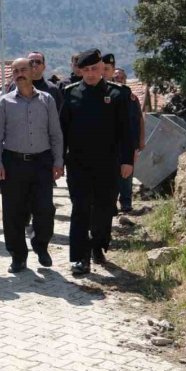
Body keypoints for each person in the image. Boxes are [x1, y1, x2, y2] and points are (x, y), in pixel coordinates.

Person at [60, 49, 134, 276]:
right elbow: (63, 130)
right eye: (86, 70)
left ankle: (98, 245)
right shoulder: (70, 93)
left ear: (102, 68)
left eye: (94, 69)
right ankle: (80, 257)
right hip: (79, 163)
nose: (91, 74)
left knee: (104, 208)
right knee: (80, 209)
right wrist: (59, 161)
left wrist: (127, 161)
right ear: (80, 71)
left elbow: (127, 131)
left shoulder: (118, 94)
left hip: (108, 163)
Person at [0, 57, 64, 273]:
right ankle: (17, 256)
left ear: (33, 71)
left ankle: (41, 246)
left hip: (42, 162)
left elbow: (55, 134)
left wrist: (58, 161)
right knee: (13, 212)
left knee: (44, 209)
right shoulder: (4, 102)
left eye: (23, 69)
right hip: (13, 163)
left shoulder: (47, 100)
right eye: (15, 70)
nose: (20, 73)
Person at [112, 66, 146, 213]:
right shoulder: (108, 96)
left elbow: (139, 120)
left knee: (127, 174)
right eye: (116, 77)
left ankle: (126, 203)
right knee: (112, 174)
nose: (118, 79)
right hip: (112, 143)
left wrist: (140, 141)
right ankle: (110, 203)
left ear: (125, 80)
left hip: (129, 143)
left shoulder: (132, 98)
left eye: (121, 77)